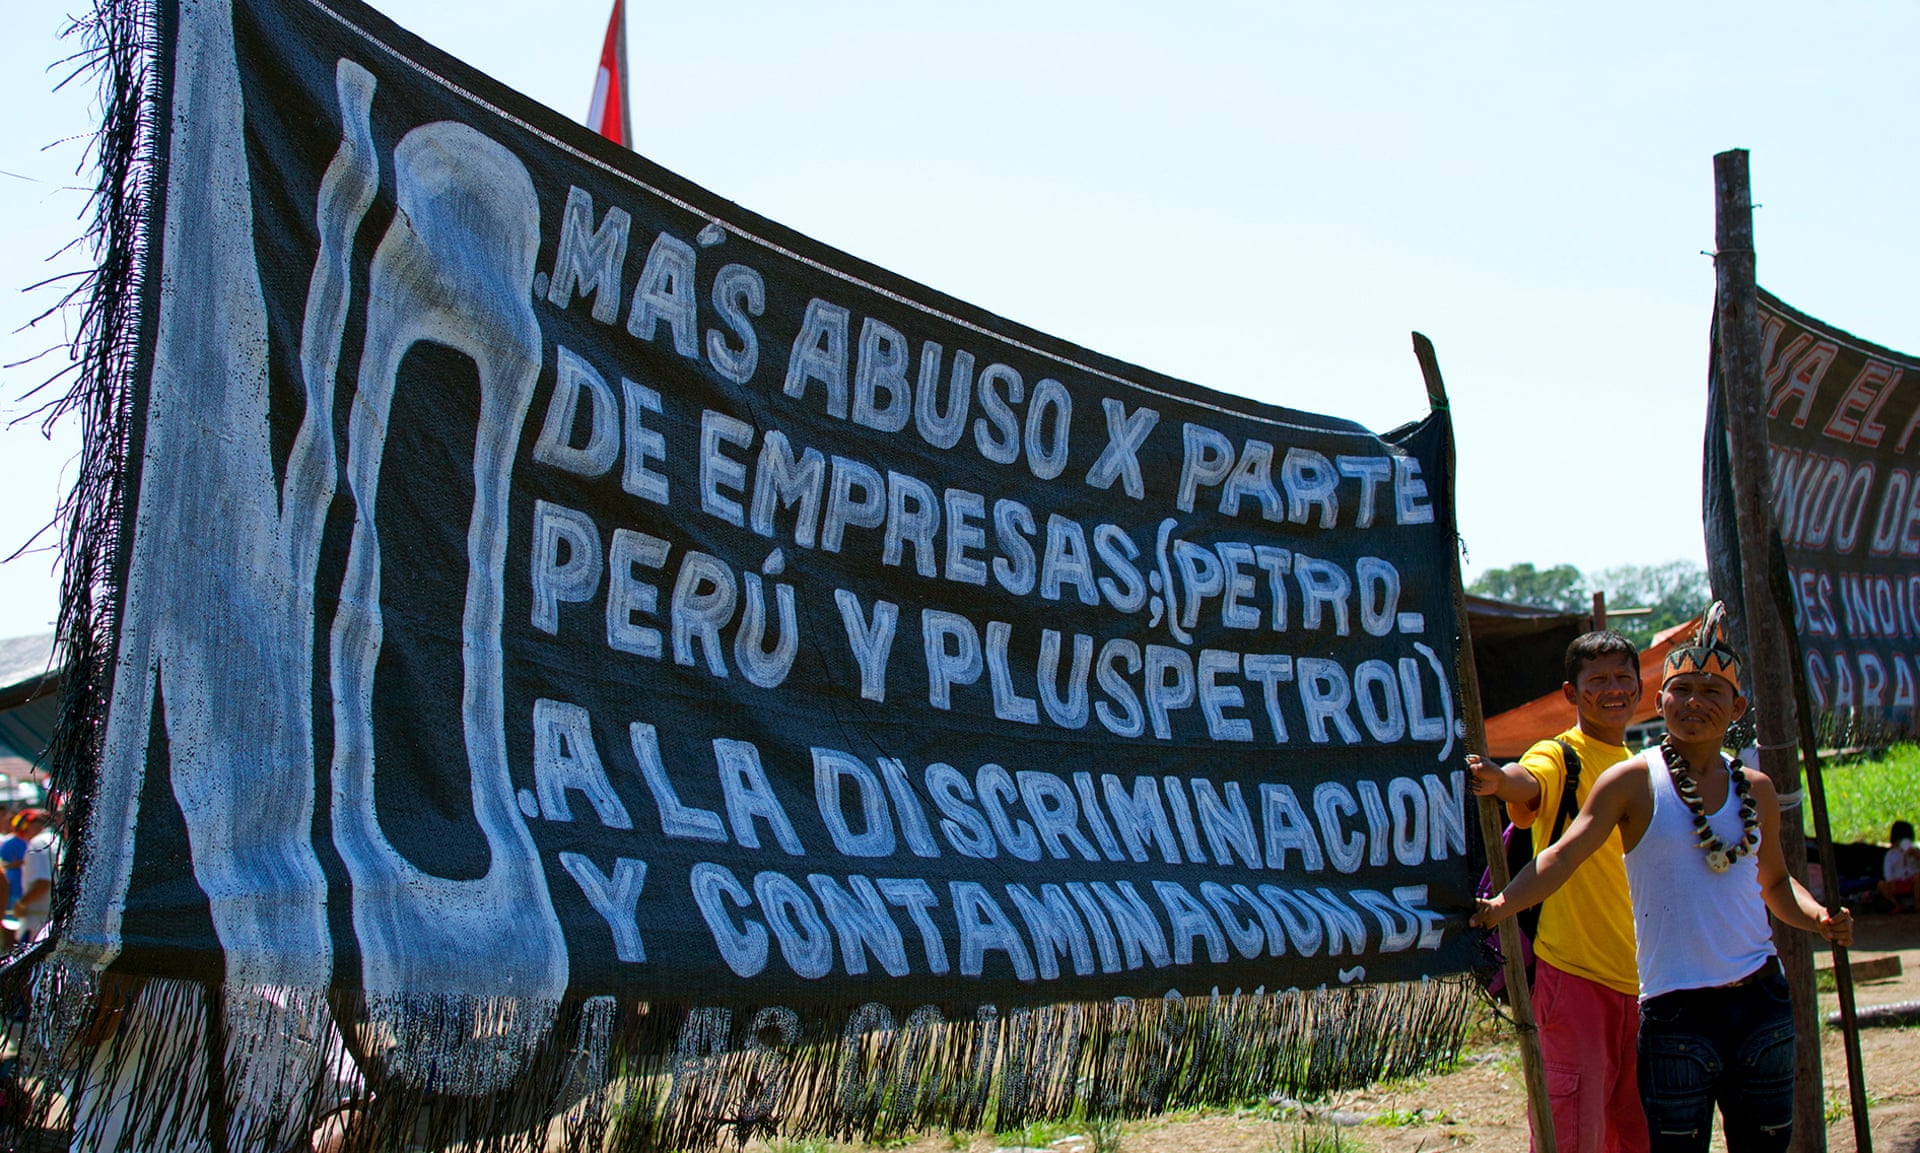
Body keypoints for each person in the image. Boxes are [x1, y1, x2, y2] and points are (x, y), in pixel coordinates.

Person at [1474, 607, 1851, 1153]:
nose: (1695, 702)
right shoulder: (1624, 778)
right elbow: (1559, 848)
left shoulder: (1756, 789)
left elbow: (1774, 883)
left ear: (1737, 707)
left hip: (1756, 1000)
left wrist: (1818, 917)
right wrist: (1502, 903)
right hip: (1663, 1006)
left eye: (1712, 691)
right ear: (1661, 701)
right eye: (1682, 690)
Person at [1468, 630, 1648, 1153]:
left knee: (1638, 1133)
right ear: (1571, 693)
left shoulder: (1644, 768)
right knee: (1572, 1133)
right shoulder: (1561, 755)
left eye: (1622, 678)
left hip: (1646, 982)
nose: (1612, 690)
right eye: (1598, 681)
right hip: (1574, 975)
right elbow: (1530, 781)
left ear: (1640, 689)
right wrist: (1501, 781)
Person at [11, 809, 58, 941]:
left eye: (25, 830)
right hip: (53, 919)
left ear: (36, 823)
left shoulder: (38, 844)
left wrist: (20, 904)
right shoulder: (57, 840)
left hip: (36, 924)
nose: (25, 836)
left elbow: (43, 882)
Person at [1882, 819, 1919, 912]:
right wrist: (1891, 881)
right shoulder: (1890, 854)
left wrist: (1915, 854)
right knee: (1881, 885)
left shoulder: (1915, 851)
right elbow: (1888, 874)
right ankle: (1897, 905)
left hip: (1913, 882)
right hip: (1897, 883)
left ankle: (1917, 904)